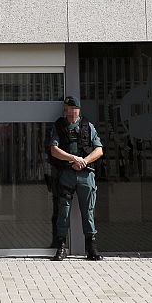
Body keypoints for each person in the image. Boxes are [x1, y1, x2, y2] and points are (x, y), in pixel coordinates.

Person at [48, 96, 104, 261]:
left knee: (88, 212)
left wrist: (84, 161)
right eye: (68, 108)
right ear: (65, 110)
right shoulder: (59, 126)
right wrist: (73, 158)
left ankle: (91, 249)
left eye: (74, 108)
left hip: (86, 174)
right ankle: (61, 247)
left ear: (79, 110)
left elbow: (99, 150)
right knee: (63, 211)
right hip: (67, 174)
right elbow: (54, 150)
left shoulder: (88, 126)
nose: (71, 111)